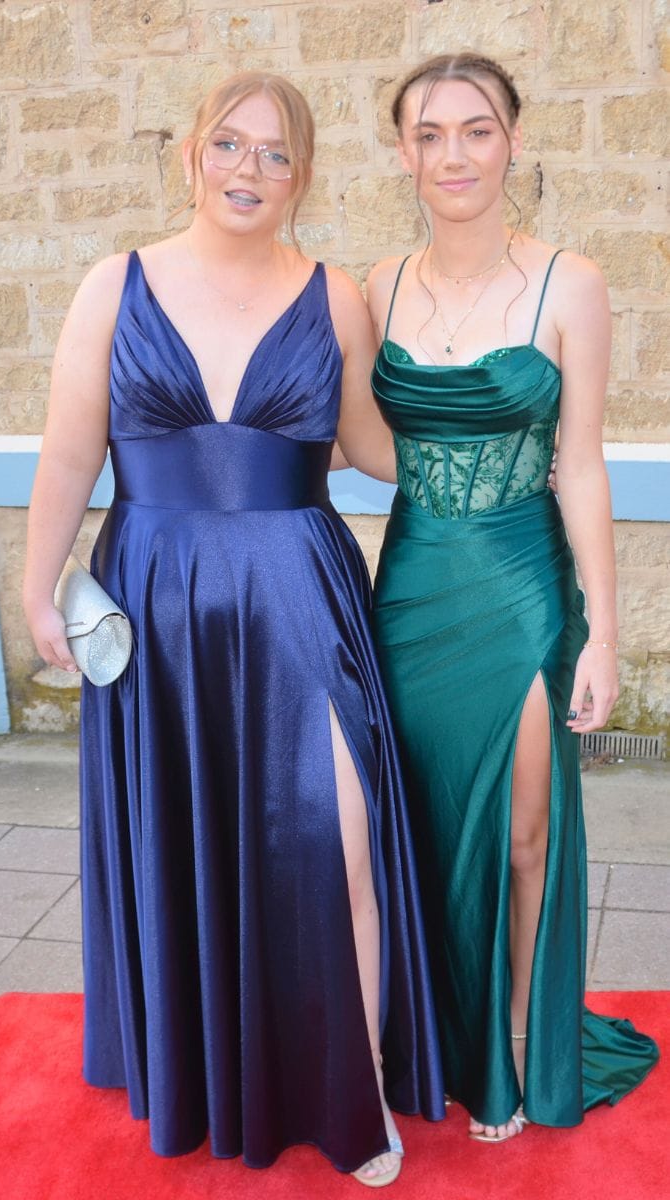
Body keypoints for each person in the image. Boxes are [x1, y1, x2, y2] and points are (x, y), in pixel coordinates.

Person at [22, 70, 446, 1186]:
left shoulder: (334, 295)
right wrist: (35, 586)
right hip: (155, 604)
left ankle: (360, 1092)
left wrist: (490, 456)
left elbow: (372, 445)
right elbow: (69, 451)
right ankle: (211, 1065)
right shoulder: (114, 284)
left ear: (301, 176)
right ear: (192, 155)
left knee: (340, 836)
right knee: (185, 839)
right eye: (229, 144)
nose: (249, 168)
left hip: (302, 596)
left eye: (275, 152)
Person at [366, 53, 659, 1143]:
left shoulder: (568, 282)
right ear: (404, 152)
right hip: (413, 586)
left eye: (476, 129)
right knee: (424, 818)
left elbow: (580, 464)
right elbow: (358, 443)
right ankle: (436, 1029)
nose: (453, 154)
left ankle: (522, 1036)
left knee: (525, 829)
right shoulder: (375, 285)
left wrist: (605, 634)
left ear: (513, 142)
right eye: (429, 133)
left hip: (523, 583)